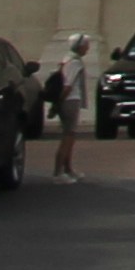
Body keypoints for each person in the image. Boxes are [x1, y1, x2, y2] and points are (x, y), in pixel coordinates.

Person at [46, 32, 89, 179]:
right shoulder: (74, 62)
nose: (87, 48)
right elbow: (68, 85)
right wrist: (58, 104)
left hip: (69, 100)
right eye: (86, 45)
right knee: (68, 137)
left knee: (70, 135)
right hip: (70, 101)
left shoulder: (68, 59)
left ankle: (68, 169)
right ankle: (58, 172)